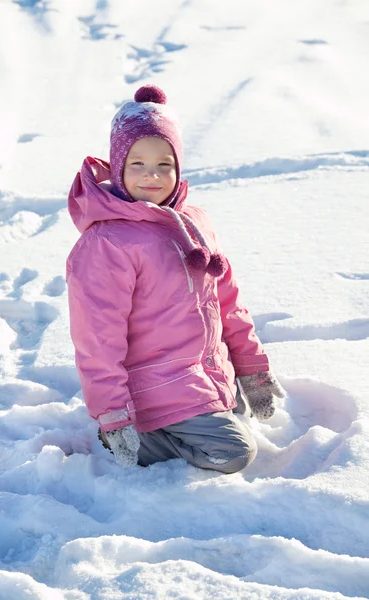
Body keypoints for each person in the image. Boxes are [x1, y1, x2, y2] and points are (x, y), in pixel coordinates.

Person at [66, 85, 285, 474]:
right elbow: (98, 339)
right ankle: (137, 437)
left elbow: (229, 303)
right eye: (137, 164)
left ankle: (196, 416)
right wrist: (113, 413)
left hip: (206, 375)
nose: (152, 175)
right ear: (118, 167)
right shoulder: (108, 242)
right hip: (153, 388)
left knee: (238, 418)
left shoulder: (193, 223)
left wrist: (252, 370)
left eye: (164, 164)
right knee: (234, 453)